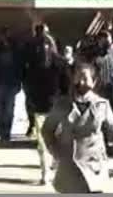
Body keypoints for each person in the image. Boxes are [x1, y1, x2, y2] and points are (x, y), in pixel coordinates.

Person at [42, 62, 113, 193]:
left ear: (94, 82)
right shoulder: (63, 104)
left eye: (85, 78)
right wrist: (56, 151)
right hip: (69, 166)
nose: (81, 82)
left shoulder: (101, 105)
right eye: (78, 77)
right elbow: (47, 130)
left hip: (94, 165)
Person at [22, 32, 71, 184]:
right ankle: (45, 173)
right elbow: (27, 84)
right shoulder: (32, 64)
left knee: (56, 140)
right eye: (41, 44)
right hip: (39, 107)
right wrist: (30, 102)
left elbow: (67, 85)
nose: (44, 47)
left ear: (52, 45)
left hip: (57, 107)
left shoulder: (60, 63)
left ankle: (56, 164)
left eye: (47, 44)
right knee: (42, 142)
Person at [0, 26, 24, 143]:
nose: (4, 38)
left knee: (8, 109)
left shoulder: (15, 49)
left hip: (11, 83)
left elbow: (19, 67)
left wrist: (19, 81)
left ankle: (6, 133)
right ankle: (1, 128)